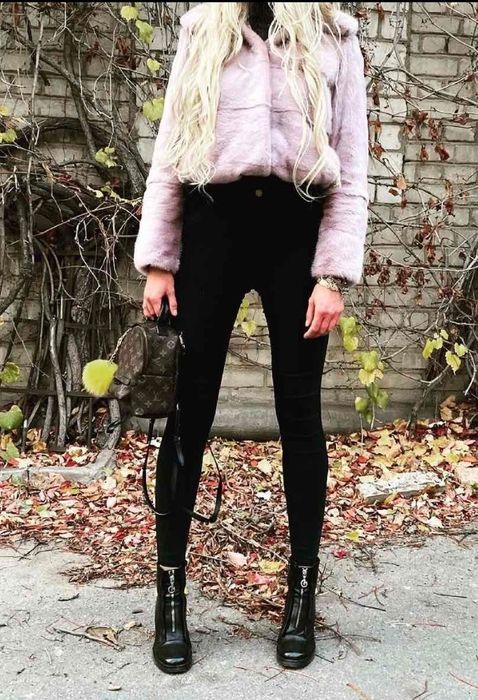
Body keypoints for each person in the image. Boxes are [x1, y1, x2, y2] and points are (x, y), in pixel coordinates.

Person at [134, 1, 368, 674]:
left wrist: (332, 274)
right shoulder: (203, 28)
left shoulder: (333, 35)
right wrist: (159, 261)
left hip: (297, 232)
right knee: (189, 415)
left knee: (300, 416)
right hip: (213, 227)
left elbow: (352, 164)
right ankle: (170, 596)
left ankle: (301, 595)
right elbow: (171, 149)